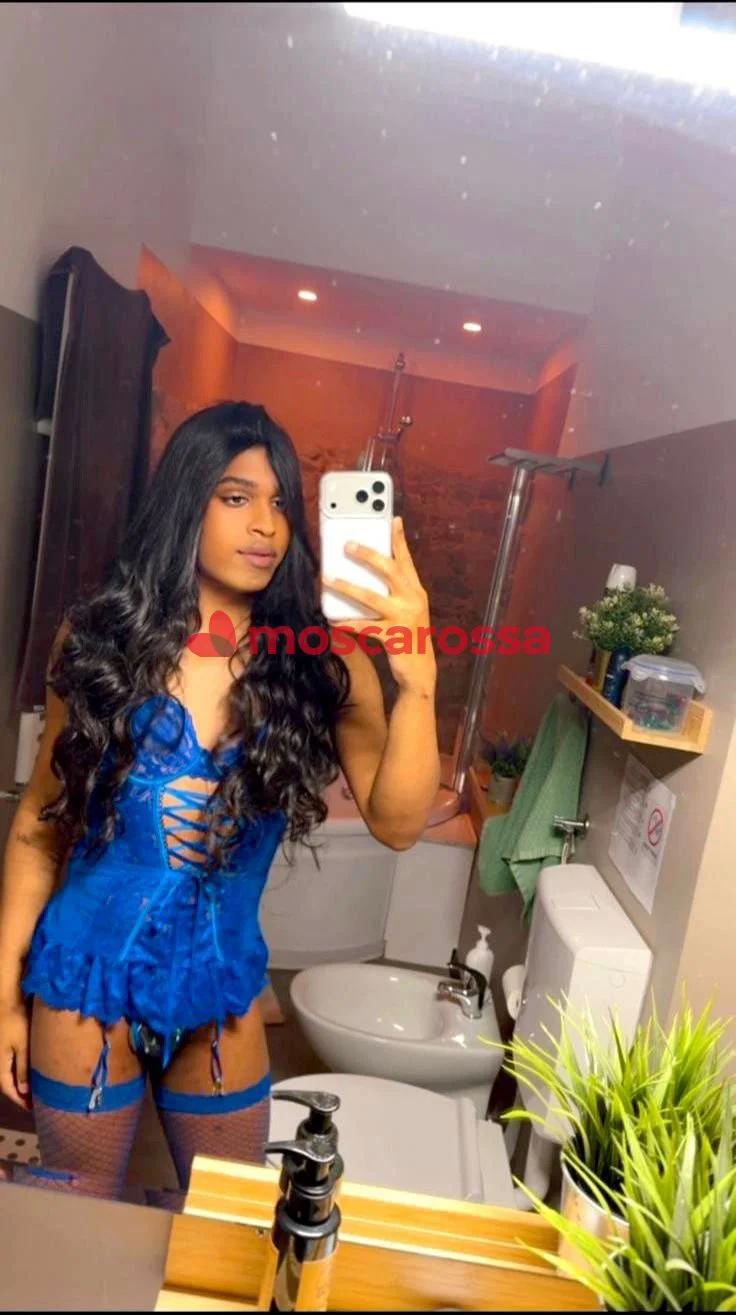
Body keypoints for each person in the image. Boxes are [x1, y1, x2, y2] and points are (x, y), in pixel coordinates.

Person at [0, 401, 440, 1202]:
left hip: (222, 988)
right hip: (83, 982)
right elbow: (38, 822)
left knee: (232, 1216)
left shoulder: (323, 663)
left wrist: (417, 676)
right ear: (187, 500)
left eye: (280, 503)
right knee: (79, 1213)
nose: (265, 524)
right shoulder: (99, 640)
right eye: (236, 497)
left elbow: (400, 823)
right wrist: (4, 995)